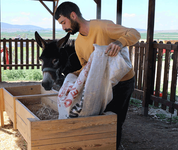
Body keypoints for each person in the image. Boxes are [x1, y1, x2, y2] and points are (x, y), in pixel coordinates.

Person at [55, 1, 141, 149]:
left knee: (115, 120)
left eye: (64, 22)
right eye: (61, 24)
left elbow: (135, 33)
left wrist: (120, 43)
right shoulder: (78, 43)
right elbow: (85, 68)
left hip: (122, 81)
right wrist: (71, 78)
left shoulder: (102, 26)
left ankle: (115, 146)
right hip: (103, 82)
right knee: (100, 118)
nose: (63, 28)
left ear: (73, 15)